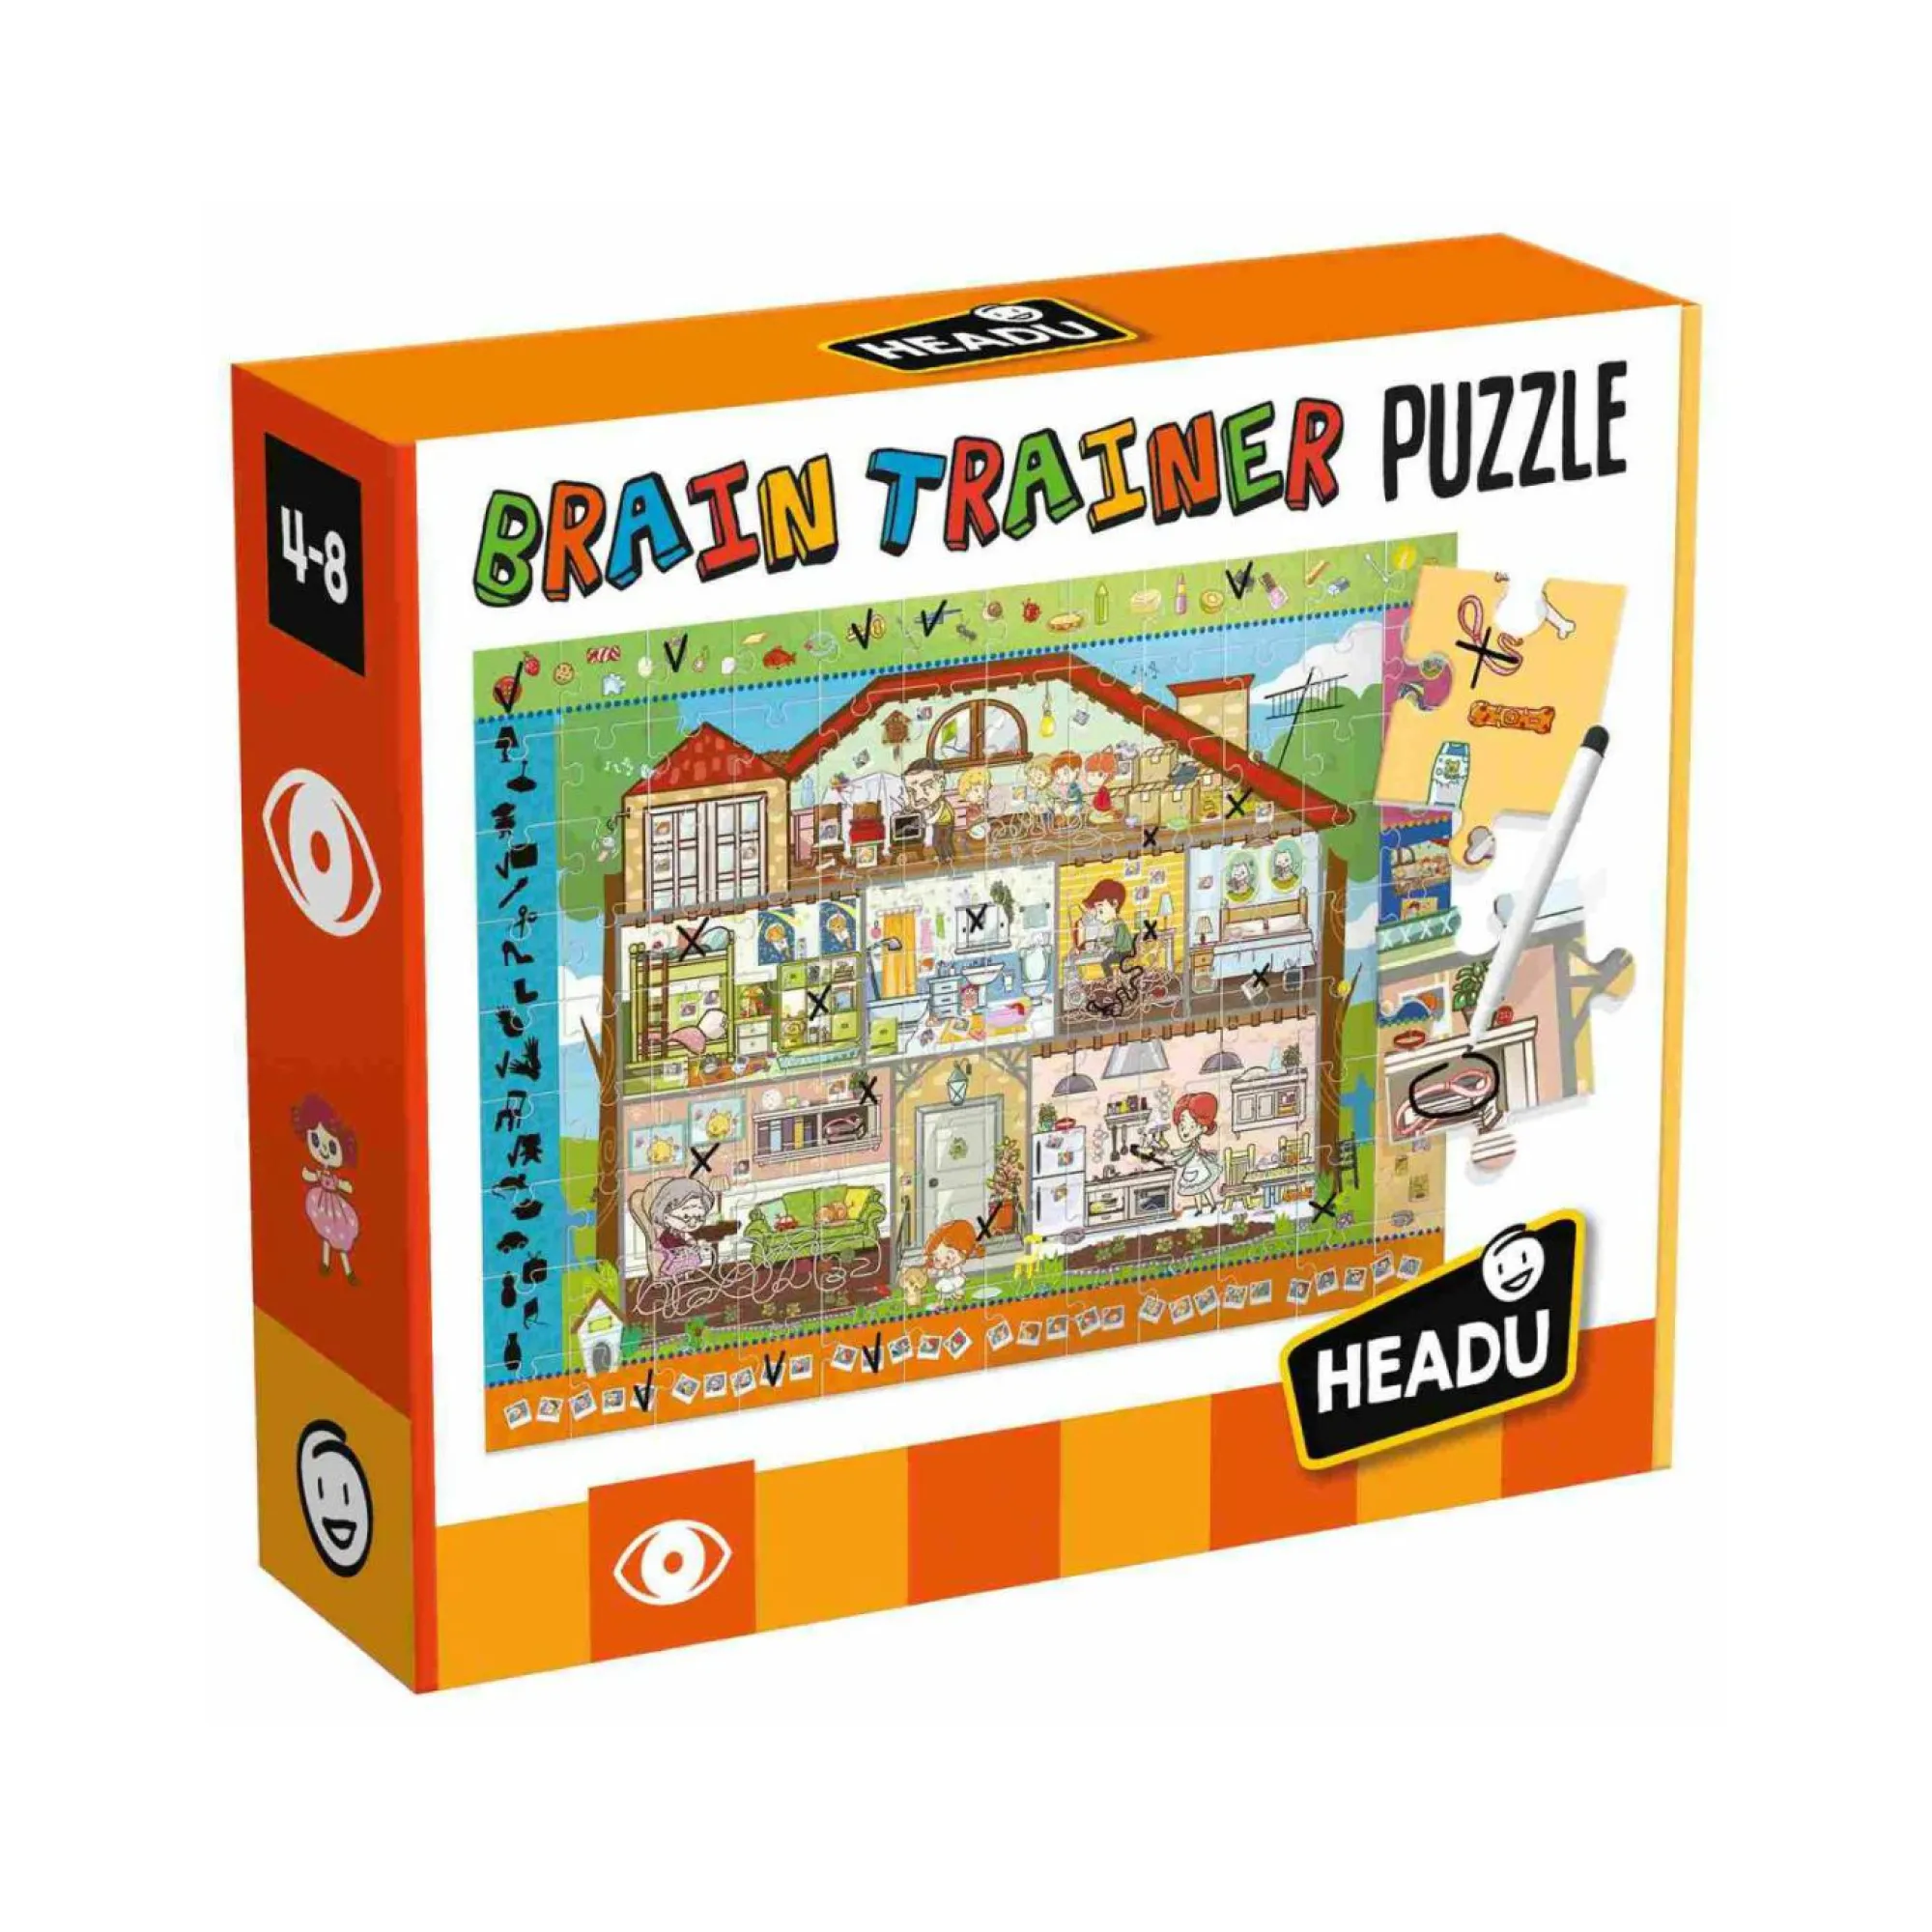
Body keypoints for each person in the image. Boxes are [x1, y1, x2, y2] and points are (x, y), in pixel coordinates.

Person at [293, 1094, 360, 1281]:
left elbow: (342, 1185)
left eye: (331, 1146)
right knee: (325, 1234)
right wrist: (309, 1175)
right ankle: (325, 1263)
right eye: (315, 1141)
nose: (323, 1151)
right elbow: (314, 1176)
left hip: (336, 1208)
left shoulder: (332, 1176)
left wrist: (344, 1186)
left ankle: (348, 1270)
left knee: (340, 1239)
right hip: (322, 1204)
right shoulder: (322, 1171)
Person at [1171, 1092, 1223, 1215]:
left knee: (1203, 1189)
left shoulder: (1194, 1146)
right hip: (1191, 1170)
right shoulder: (1192, 1145)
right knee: (1196, 1191)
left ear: (1203, 1128)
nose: (1184, 1132)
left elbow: (1187, 1155)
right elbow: (1184, 1153)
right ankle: (1200, 1208)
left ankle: (1212, 1205)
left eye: (1192, 1127)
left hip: (1198, 1169)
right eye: (1182, 1126)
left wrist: (1176, 1159)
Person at [903, 757, 955, 863]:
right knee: (938, 842)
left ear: (941, 784)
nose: (918, 797)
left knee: (942, 842)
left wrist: (925, 821)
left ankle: (947, 856)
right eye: (911, 791)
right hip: (938, 825)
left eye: (925, 787)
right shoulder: (930, 804)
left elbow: (936, 816)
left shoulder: (941, 804)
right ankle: (944, 856)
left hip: (945, 826)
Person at [1082, 877, 1136, 977]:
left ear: (1114, 904)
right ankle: (1111, 979)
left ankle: (1111, 979)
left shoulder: (1119, 924)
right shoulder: (1112, 924)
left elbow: (1118, 942)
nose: (1098, 916)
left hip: (1124, 953)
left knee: (1106, 961)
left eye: (1100, 911)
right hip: (1119, 952)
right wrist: (1104, 941)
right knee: (1105, 960)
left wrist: (1107, 943)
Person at [923, 1219, 984, 1300]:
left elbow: (958, 1272)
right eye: (937, 1259)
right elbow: (933, 1273)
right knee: (943, 1287)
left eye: (949, 1258)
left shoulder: (956, 1269)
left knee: (957, 1283)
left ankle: (956, 1294)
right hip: (944, 1283)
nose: (946, 1265)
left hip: (955, 1282)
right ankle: (945, 1296)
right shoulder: (938, 1268)